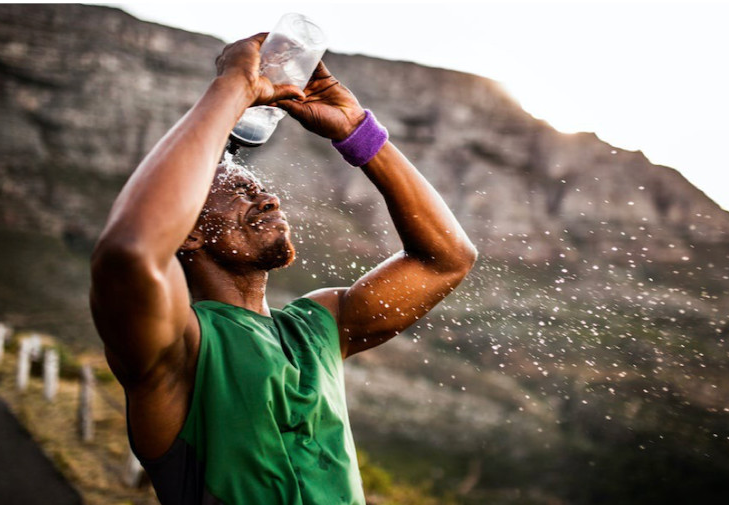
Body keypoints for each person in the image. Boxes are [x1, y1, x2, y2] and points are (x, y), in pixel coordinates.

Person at [89, 33, 477, 505]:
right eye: (240, 191)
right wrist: (234, 86)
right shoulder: (177, 346)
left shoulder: (319, 326)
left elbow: (447, 259)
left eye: (260, 188)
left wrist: (356, 131)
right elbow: (130, 251)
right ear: (188, 233)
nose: (269, 198)